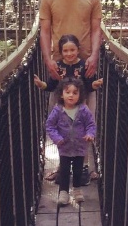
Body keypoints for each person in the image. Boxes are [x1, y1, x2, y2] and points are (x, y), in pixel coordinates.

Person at [39, 0, 102, 181]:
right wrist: (48, 59)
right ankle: (62, 167)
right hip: (60, 67)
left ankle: (83, 167)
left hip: (85, 67)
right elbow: (44, 32)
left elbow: (96, 29)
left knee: (86, 120)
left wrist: (94, 55)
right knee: (58, 119)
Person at [45, 78, 96, 206]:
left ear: (80, 95)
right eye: (68, 92)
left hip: (80, 147)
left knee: (78, 169)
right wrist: (56, 138)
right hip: (64, 147)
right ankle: (63, 192)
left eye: (75, 93)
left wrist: (90, 134)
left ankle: (77, 190)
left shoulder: (83, 109)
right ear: (62, 94)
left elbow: (91, 124)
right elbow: (50, 126)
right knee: (64, 170)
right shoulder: (58, 110)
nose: (71, 95)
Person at [34, 34, 103, 93]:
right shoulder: (57, 66)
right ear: (61, 52)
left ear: (78, 50)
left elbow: (88, 87)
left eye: (72, 50)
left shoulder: (85, 65)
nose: (69, 54)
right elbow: (51, 86)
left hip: (80, 105)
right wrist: (41, 84)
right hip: (61, 105)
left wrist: (95, 84)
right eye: (65, 51)